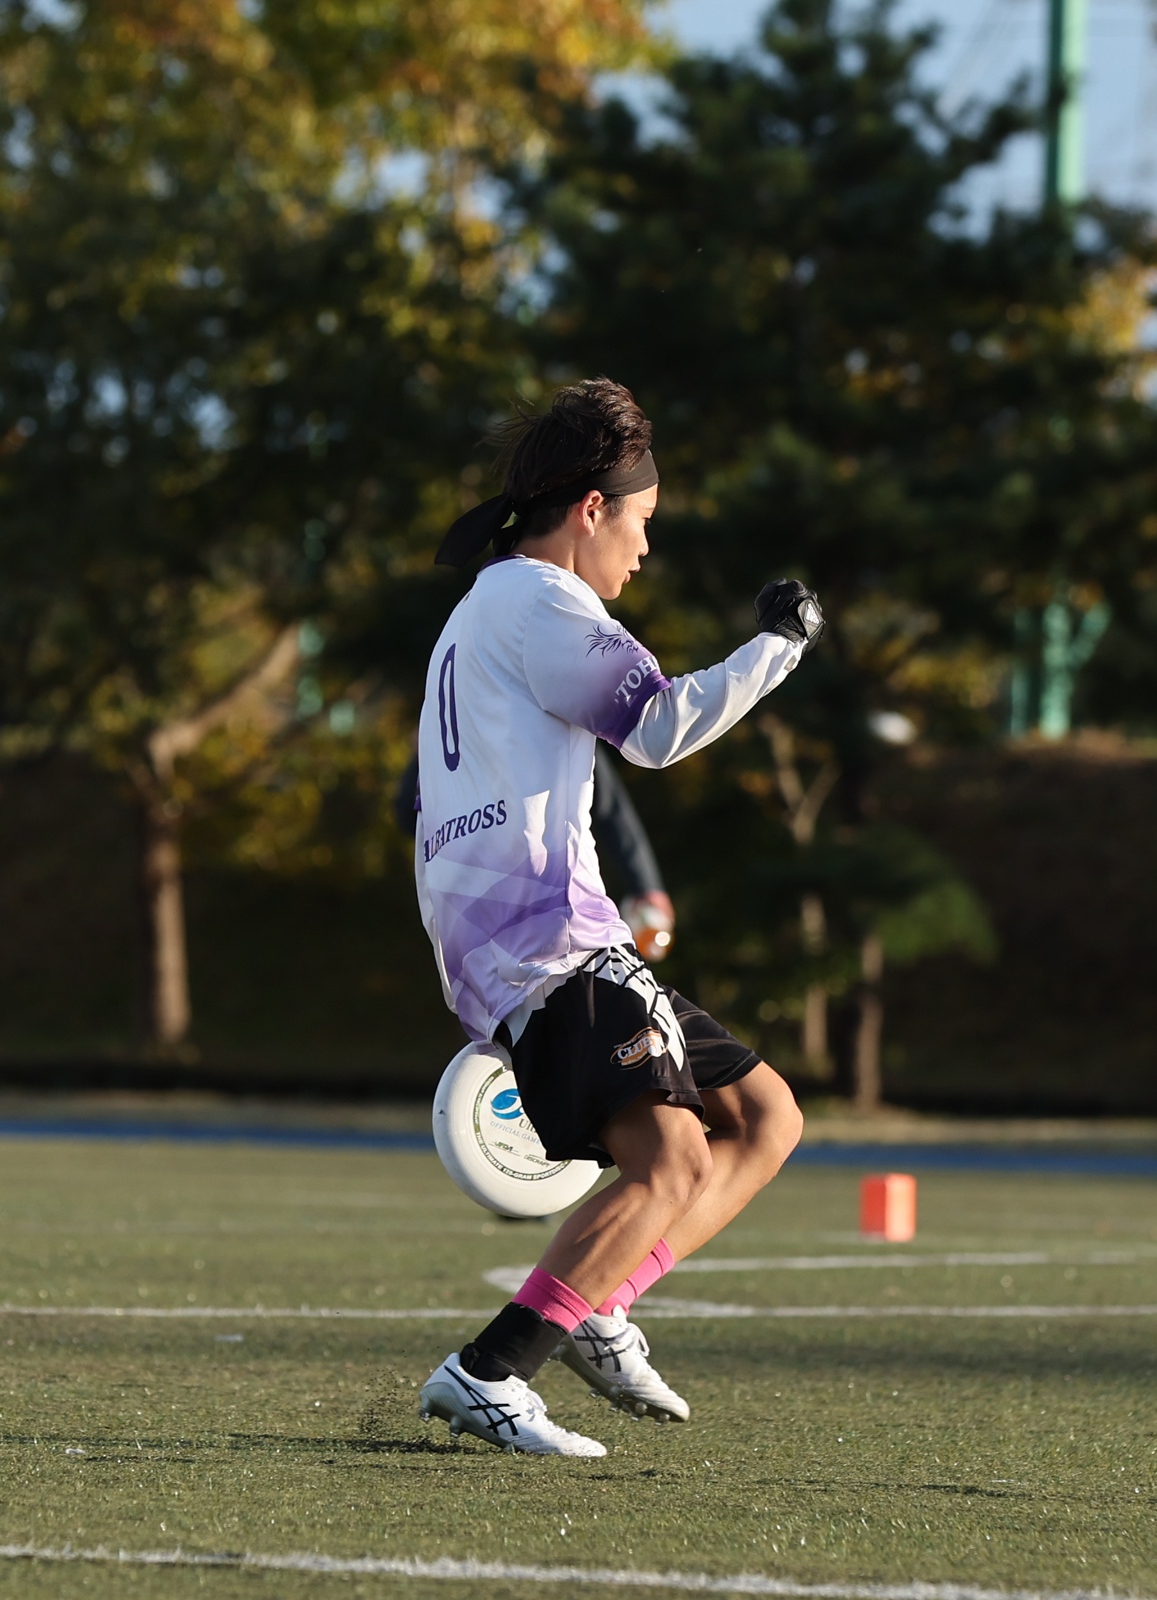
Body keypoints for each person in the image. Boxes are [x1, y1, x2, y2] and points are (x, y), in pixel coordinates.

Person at [412, 378, 820, 1457]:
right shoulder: (543, 602)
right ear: (591, 509)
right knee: (671, 1160)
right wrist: (778, 646)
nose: (643, 549)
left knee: (765, 1118)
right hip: (546, 938)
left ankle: (599, 1302)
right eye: (640, 521)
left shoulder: (488, 606)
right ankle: (490, 1370)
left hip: (529, 935)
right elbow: (657, 727)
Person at [399, 751, 676, 960]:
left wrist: (645, 884)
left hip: (561, 912)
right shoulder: (451, 723)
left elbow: (607, 803)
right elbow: (409, 817)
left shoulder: (545, 704)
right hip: (486, 926)